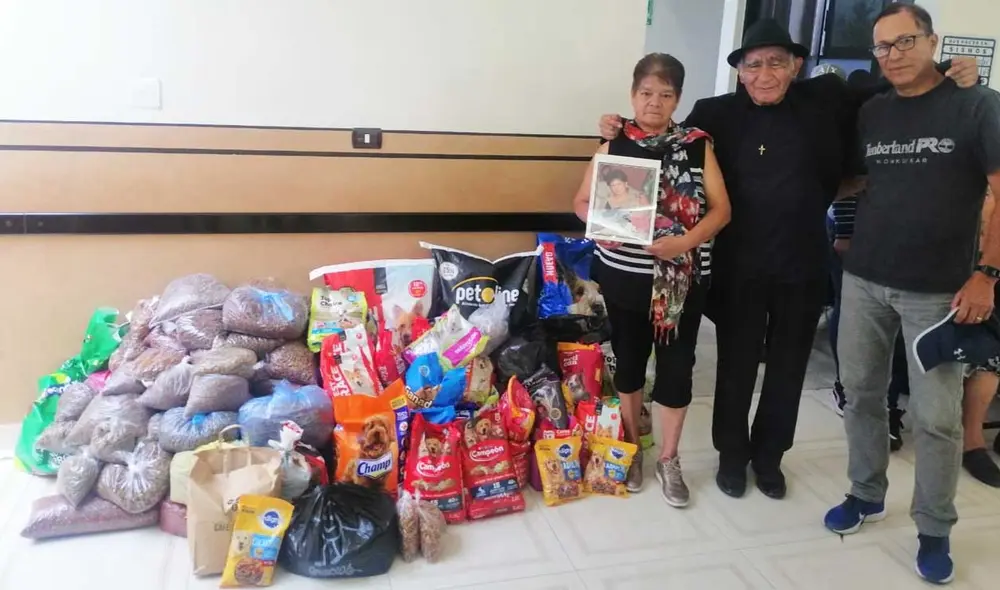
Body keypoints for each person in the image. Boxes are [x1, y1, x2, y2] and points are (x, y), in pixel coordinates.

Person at [599, 20, 978, 502]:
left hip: (801, 262)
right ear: (740, 71)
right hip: (737, 265)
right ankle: (732, 456)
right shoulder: (714, 113)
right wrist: (615, 128)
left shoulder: (826, 99)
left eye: (776, 63)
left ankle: (769, 457)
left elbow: (889, 81)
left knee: (788, 367)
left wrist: (946, 70)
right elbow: (662, 141)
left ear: (796, 65)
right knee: (736, 365)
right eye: (753, 64)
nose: (764, 74)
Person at [823, 4, 1000, 584]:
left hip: (939, 293)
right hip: (865, 280)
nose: (894, 55)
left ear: (931, 41)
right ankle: (865, 492)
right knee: (861, 394)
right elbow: (858, 181)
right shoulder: (873, 112)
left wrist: (987, 274)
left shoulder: (976, 104)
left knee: (937, 418)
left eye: (905, 42)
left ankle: (934, 528)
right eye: (882, 46)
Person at [573, 53, 731, 506]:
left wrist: (685, 242)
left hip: (681, 282)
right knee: (628, 364)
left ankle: (669, 457)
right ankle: (633, 447)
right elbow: (581, 203)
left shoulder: (697, 146)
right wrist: (607, 225)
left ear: (677, 100)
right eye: (646, 93)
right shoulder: (614, 144)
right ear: (632, 95)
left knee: (677, 370)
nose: (654, 103)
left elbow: (722, 210)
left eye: (665, 95)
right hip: (624, 277)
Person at [826, 69, 909, 452]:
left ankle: (889, 404)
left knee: (891, 322)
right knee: (849, 312)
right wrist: (845, 234)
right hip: (852, 238)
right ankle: (846, 387)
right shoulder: (858, 127)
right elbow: (846, 183)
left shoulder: (901, 127)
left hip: (897, 241)